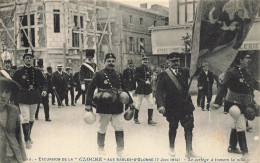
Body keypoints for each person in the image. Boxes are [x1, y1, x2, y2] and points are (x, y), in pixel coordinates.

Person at [85, 53, 133, 157]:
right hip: (104, 105)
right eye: (109, 61)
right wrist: (88, 104)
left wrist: (131, 102)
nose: (111, 63)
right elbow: (90, 89)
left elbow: (124, 89)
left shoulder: (119, 75)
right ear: (104, 62)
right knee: (102, 127)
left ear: (115, 62)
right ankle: (101, 148)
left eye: (113, 61)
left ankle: (120, 150)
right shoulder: (98, 74)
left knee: (119, 127)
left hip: (117, 106)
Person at [156, 52, 197, 158]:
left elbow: (196, 72)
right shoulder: (163, 74)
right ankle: (172, 148)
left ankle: (189, 151)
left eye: (177, 61)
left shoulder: (185, 71)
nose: (176, 63)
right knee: (173, 127)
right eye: (173, 61)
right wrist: (160, 105)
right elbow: (159, 91)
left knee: (189, 127)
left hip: (186, 104)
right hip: (172, 106)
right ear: (168, 62)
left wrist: (198, 62)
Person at [222, 52, 260, 158]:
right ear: (240, 60)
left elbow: (254, 84)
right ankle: (245, 153)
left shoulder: (246, 72)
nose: (249, 60)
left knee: (237, 122)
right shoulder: (231, 72)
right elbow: (223, 86)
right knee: (241, 124)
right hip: (232, 103)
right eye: (246, 58)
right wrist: (216, 102)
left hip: (244, 103)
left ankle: (232, 146)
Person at [13, 50, 47, 149]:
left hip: (34, 96)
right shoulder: (19, 72)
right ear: (23, 60)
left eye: (30, 58)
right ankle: (27, 139)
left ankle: (28, 136)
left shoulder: (37, 71)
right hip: (23, 96)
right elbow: (14, 85)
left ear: (32, 60)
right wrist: (14, 97)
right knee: (25, 117)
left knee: (32, 118)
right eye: (27, 58)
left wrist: (44, 90)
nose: (29, 59)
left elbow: (44, 83)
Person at [0, 76, 27, 163]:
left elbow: (18, 135)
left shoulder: (14, 110)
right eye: (0, 91)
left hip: (13, 157)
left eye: (7, 92)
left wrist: (22, 155)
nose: (3, 96)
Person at [134, 55, 157, 125]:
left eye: (146, 60)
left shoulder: (149, 69)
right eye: (144, 60)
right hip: (141, 88)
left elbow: (149, 77)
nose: (145, 61)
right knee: (138, 103)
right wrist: (144, 81)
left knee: (151, 102)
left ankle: (150, 120)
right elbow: (136, 77)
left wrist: (152, 79)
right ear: (141, 60)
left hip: (147, 88)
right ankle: (135, 118)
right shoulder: (138, 68)